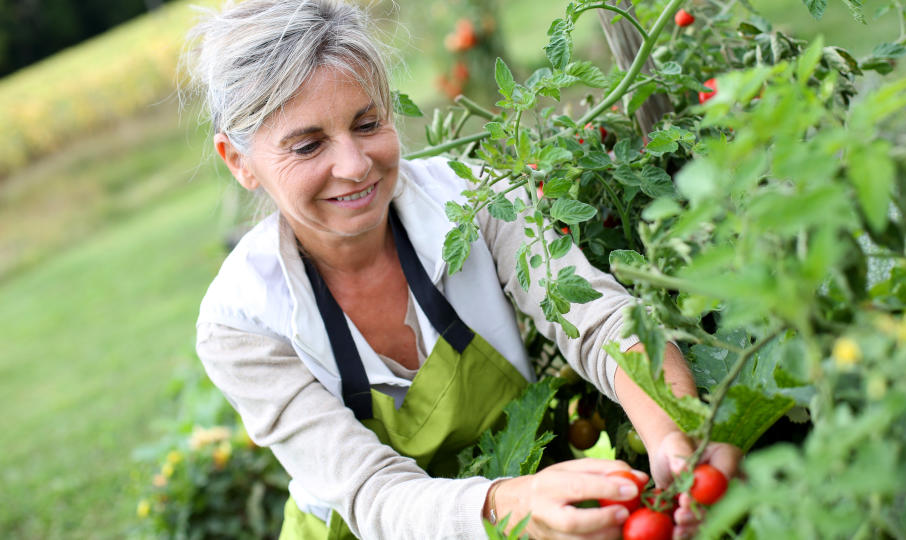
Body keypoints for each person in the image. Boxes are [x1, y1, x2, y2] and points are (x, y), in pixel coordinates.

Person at [186, 1, 741, 538]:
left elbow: (599, 324)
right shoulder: (242, 325)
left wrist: (673, 430)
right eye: (308, 146)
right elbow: (371, 494)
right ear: (239, 162)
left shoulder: (475, 197)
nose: (354, 166)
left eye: (368, 122)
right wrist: (509, 504)